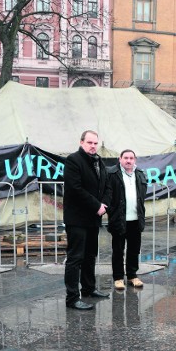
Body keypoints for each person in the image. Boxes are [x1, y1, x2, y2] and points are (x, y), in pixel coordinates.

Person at [63, 130, 111, 310]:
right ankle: (72, 298)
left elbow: (106, 186)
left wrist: (104, 204)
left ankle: (89, 289)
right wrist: (96, 206)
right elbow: (75, 189)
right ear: (82, 142)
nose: (93, 146)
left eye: (95, 143)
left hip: (93, 218)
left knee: (91, 256)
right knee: (75, 258)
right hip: (77, 218)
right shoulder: (73, 160)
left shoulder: (99, 161)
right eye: (89, 142)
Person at [107, 149, 148, 290]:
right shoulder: (112, 174)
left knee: (134, 250)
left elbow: (142, 197)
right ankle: (118, 278)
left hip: (136, 219)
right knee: (118, 250)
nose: (128, 160)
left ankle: (132, 276)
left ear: (135, 160)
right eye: (126, 158)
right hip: (119, 219)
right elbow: (108, 194)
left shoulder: (140, 174)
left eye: (131, 158)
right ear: (120, 159)